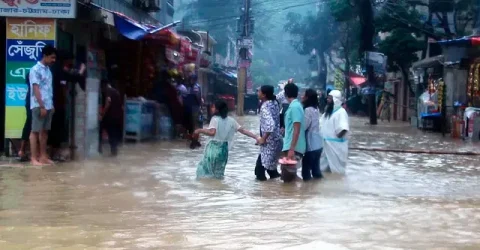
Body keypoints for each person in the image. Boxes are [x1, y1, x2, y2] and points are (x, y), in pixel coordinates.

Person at [195, 100, 260, 179]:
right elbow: (243, 131)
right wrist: (256, 137)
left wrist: (199, 130)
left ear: (217, 110)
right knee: (219, 173)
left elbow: (212, 132)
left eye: (213, 107)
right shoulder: (231, 120)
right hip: (223, 149)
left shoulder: (214, 119)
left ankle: (208, 189)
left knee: (206, 172)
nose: (211, 108)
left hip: (213, 148)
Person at [29, 45, 57, 166]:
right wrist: (41, 106)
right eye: (52, 57)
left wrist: (51, 105)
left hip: (48, 105)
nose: (53, 60)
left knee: (45, 132)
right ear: (45, 56)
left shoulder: (48, 70)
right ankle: (33, 158)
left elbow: (48, 89)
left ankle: (43, 157)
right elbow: (36, 89)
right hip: (38, 105)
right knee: (35, 131)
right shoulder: (35, 70)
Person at [280, 83, 306, 182]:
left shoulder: (295, 107)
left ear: (285, 94)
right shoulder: (295, 106)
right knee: (287, 175)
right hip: (291, 145)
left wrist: (292, 149)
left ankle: (305, 191)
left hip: (293, 147)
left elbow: (297, 128)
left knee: (289, 175)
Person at [255, 85, 282, 181]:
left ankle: (262, 194)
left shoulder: (265, 107)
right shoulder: (275, 102)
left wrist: (263, 139)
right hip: (277, 140)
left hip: (269, 143)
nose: (257, 92)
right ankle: (276, 190)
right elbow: (281, 95)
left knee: (259, 171)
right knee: (272, 170)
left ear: (264, 95)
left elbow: (270, 126)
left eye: (259, 91)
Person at [320, 90, 350, 174]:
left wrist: (336, 138)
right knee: (323, 169)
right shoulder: (327, 112)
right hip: (326, 145)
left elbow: (344, 128)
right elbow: (320, 124)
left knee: (337, 171)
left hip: (335, 146)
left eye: (330, 98)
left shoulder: (341, 112)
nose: (327, 100)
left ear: (335, 100)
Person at [301, 89, 323, 181]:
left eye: (304, 95)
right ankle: (316, 190)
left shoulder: (307, 110)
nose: (302, 96)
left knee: (306, 171)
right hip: (318, 144)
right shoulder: (316, 109)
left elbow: (304, 126)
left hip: (310, 144)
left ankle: (307, 192)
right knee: (316, 170)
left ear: (307, 98)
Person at [99, 80, 123, 156]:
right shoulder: (116, 92)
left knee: (100, 131)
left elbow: (108, 102)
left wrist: (102, 114)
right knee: (113, 136)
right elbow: (121, 106)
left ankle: (99, 151)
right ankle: (114, 153)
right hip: (116, 118)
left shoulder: (108, 90)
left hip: (110, 118)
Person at [18, 72, 32, 161]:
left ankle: (23, 151)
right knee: (29, 125)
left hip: (32, 103)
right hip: (32, 103)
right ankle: (22, 150)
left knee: (30, 125)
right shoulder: (34, 72)